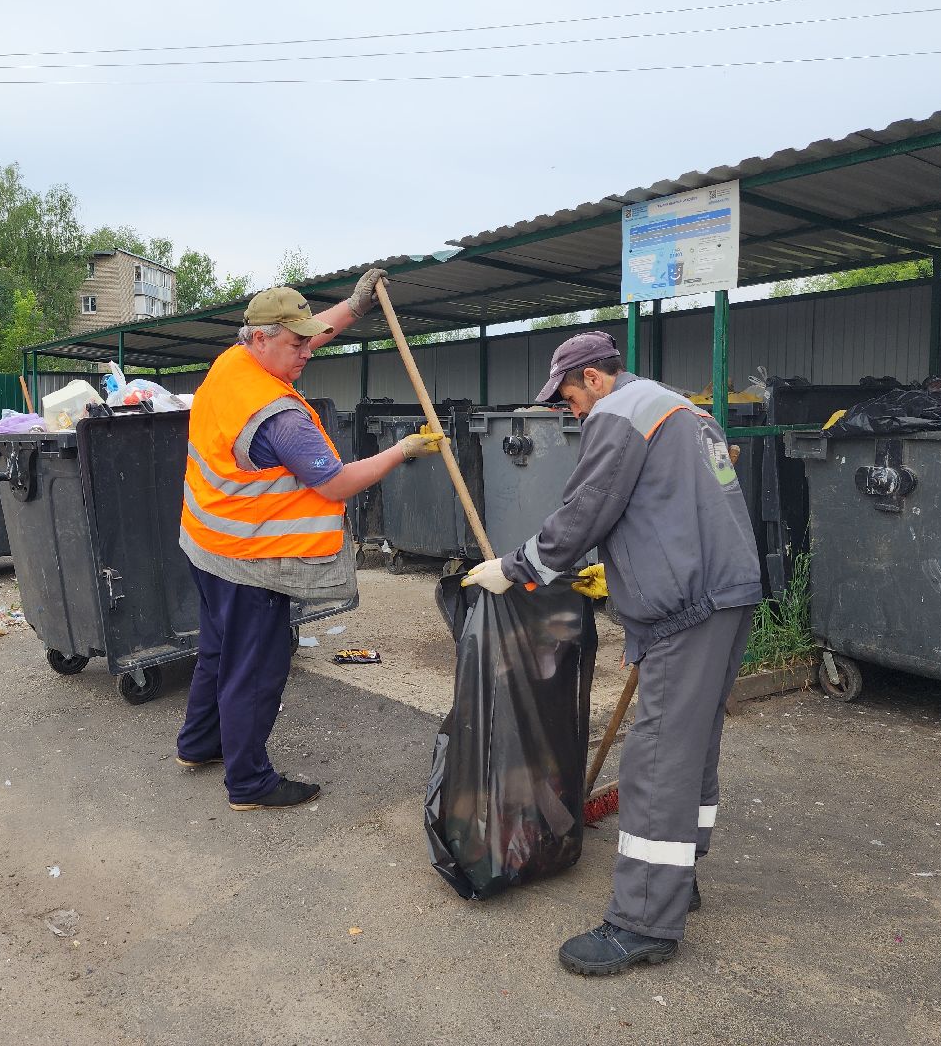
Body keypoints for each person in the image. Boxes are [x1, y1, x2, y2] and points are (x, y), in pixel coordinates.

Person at [462, 330, 762, 976]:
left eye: (569, 400)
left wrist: (515, 569)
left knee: (655, 756)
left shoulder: (620, 416)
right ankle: (677, 877)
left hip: (690, 602)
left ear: (594, 380)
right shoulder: (680, 409)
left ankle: (643, 920)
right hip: (725, 592)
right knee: (692, 743)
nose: (572, 414)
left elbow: (584, 513)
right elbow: (661, 510)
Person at [178, 268, 446, 811]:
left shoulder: (231, 365)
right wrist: (405, 450)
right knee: (255, 669)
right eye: (296, 343)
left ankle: (199, 745)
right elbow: (338, 483)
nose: (308, 351)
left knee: (217, 651)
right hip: (252, 560)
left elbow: (309, 330)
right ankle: (248, 783)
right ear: (260, 337)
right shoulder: (280, 418)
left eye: (308, 338)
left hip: (206, 542)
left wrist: (354, 306)